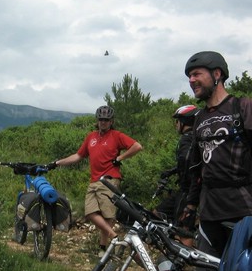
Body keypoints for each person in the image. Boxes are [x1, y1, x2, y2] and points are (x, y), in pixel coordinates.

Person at [183, 51, 252, 258]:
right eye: (189, 77)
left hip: (245, 210)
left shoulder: (244, 107)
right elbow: (197, 169)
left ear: (217, 74)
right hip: (210, 212)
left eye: (196, 74)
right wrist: (190, 208)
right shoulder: (199, 118)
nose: (191, 81)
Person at [49, 105, 143, 256]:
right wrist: (57, 163)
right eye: (101, 119)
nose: (103, 122)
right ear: (97, 120)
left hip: (110, 180)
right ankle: (114, 238)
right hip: (94, 180)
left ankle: (103, 249)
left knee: (108, 216)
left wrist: (120, 158)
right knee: (90, 213)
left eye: (106, 120)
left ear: (111, 121)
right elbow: (78, 156)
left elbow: (137, 146)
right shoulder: (91, 137)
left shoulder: (116, 135)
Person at [153, 105, 199, 246]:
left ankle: (183, 263)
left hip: (188, 192)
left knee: (184, 230)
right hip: (189, 190)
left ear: (184, 122)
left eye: (177, 121)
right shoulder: (195, 138)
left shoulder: (186, 139)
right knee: (157, 212)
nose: (175, 124)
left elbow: (187, 161)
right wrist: (173, 171)